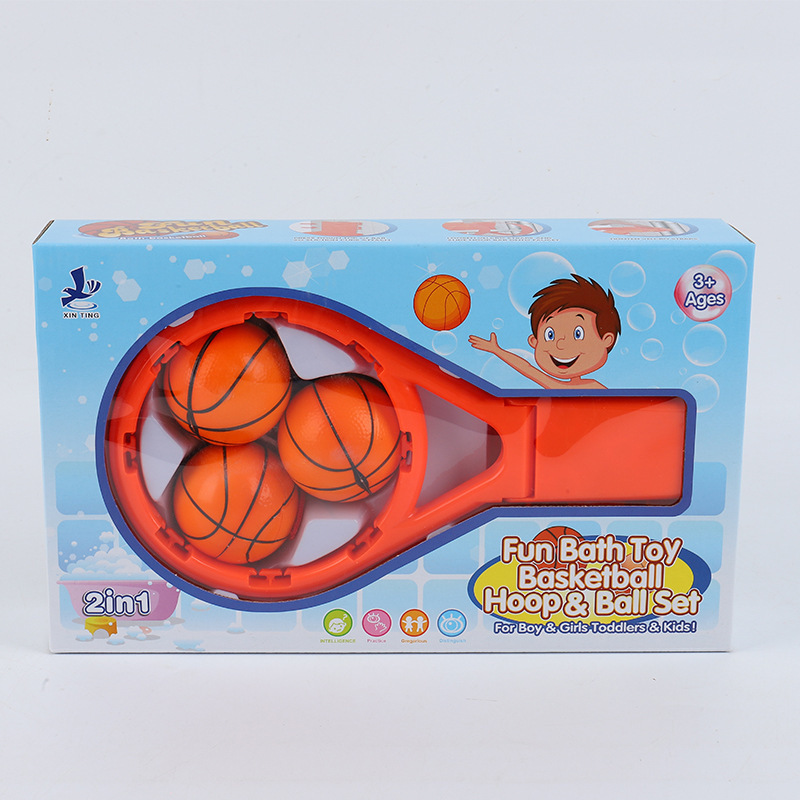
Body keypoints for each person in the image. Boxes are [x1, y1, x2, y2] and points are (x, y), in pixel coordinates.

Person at [469, 275, 621, 389]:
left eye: (578, 334)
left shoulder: (592, 388)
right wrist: (496, 350)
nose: (560, 344)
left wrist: (497, 351)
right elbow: (527, 368)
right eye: (550, 335)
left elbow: (529, 370)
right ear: (534, 341)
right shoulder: (566, 386)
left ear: (607, 339)